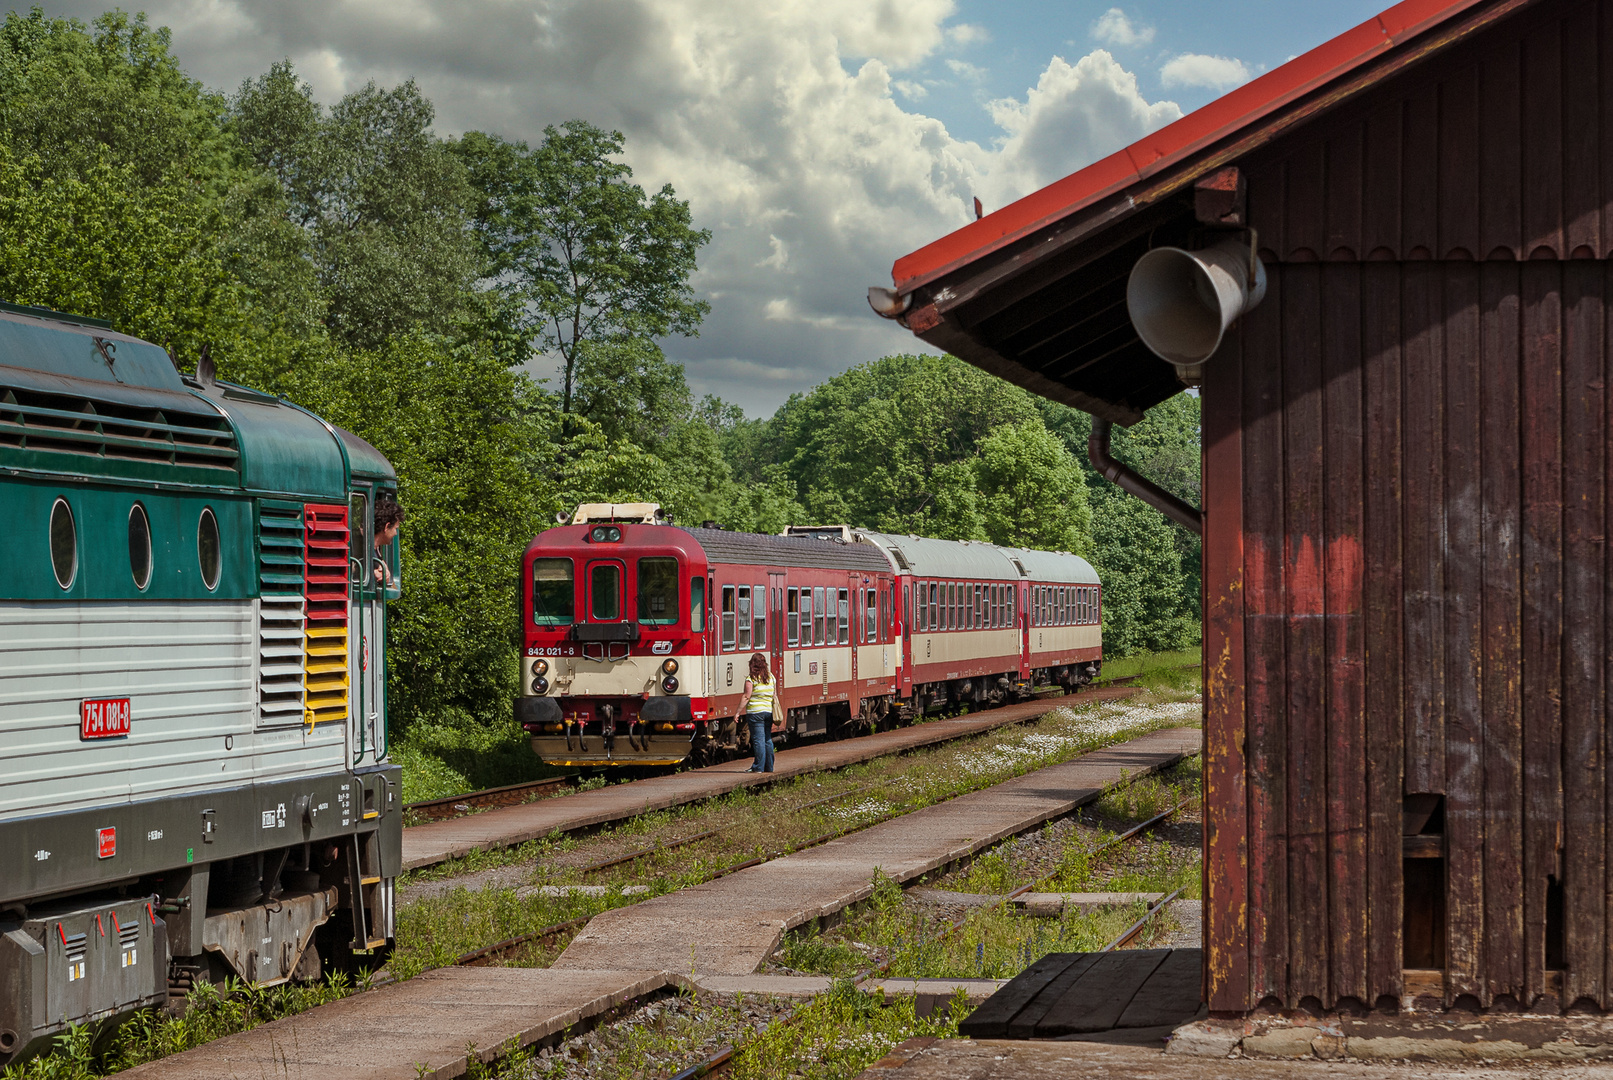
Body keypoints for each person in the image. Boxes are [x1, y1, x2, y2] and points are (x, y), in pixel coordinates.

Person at [740, 651, 775, 773]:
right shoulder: (771, 678)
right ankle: (769, 767)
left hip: (755, 713)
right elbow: (774, 695)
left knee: (758, 740)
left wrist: (737, 713)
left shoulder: (751, 679)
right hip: (768, 712)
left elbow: (746, 696)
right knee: (767, 739)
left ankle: (758, 767)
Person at [372, 494, 405, 586]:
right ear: (386, 527)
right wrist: (373, 575)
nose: (396, 533)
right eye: (395, 528)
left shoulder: (376, 551)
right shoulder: (361, 549)